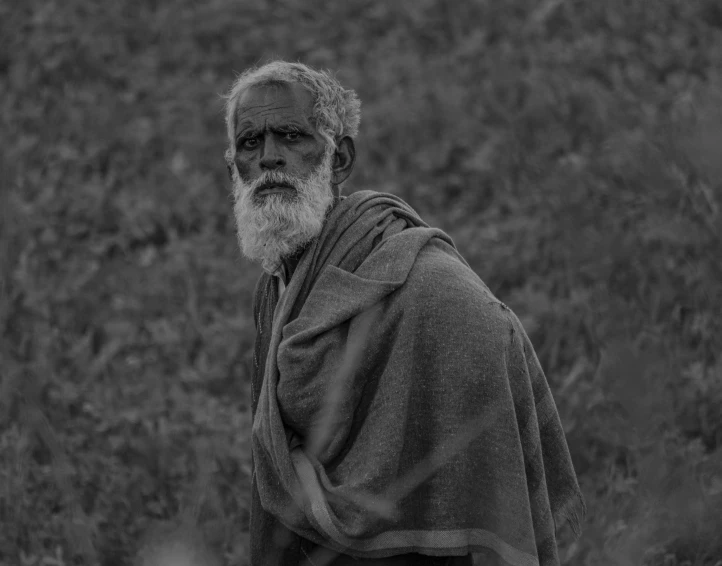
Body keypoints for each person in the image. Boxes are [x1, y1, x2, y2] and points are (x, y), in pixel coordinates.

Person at [224, 61, 585, 566]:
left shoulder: (428, 286)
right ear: (233, 169)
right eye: (250, 143)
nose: (269, 159)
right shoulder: (275, 287)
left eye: (290, 136)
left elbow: (488, 330)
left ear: (339, 159)